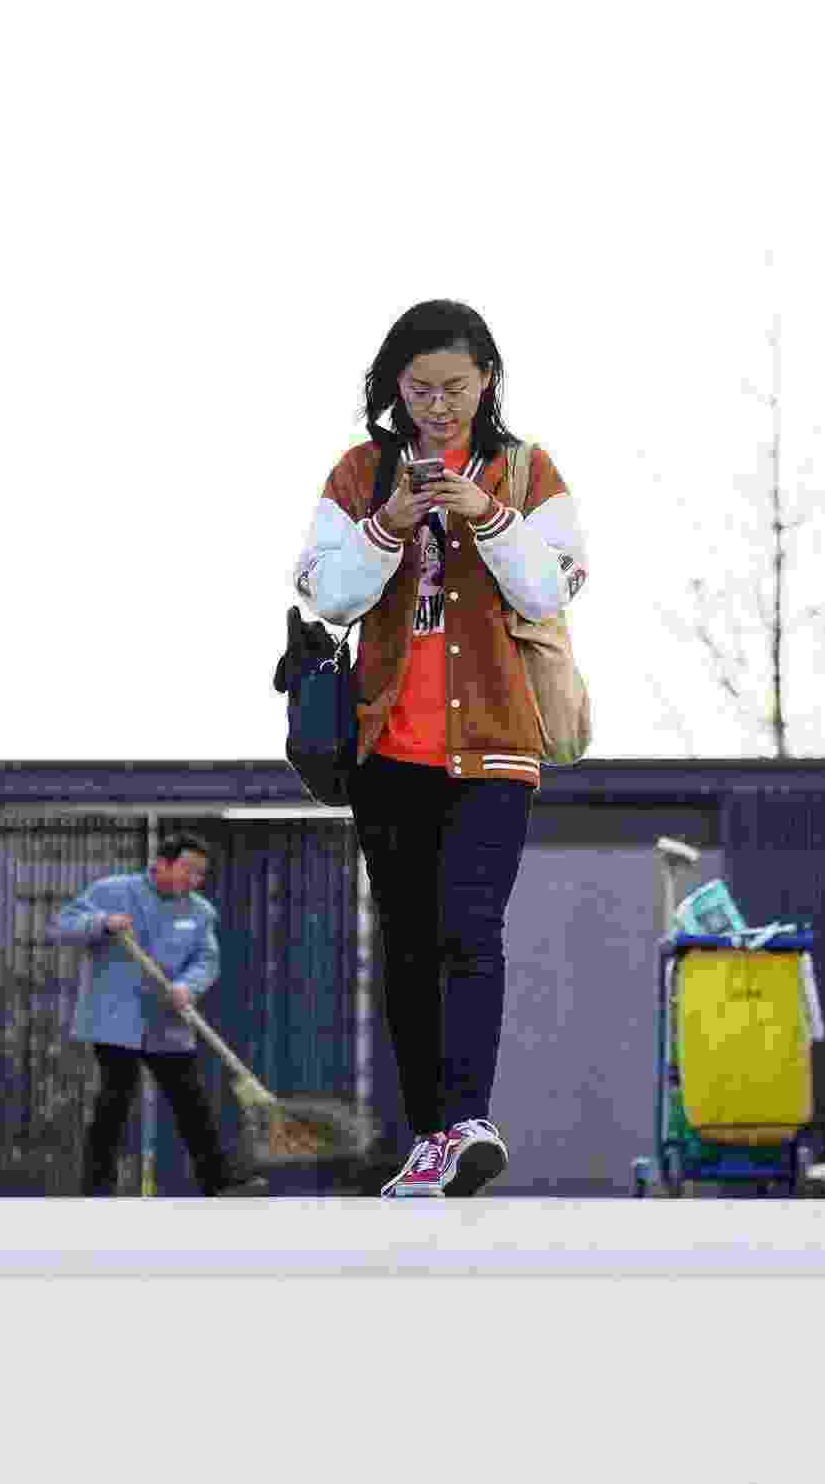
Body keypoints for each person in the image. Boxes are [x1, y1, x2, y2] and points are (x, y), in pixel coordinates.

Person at [294, 298, 586, 1199]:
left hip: (497, 745)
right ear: (395, 387)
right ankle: (432, 1136)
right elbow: (329, 594)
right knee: (409, 946)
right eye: (419, 388)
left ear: (487, 380)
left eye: (455, 386)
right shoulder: (358, 471)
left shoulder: (528, 471)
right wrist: (389, 520)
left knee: (471, 928)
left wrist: (487, 514)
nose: (438, 405)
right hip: (387, 746)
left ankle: (468, 1121)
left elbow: (550, 589)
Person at [51, 836, 240, 1197]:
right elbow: (63, 926)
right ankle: (97, 1190)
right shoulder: (112, 891)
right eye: (188, 870)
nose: (195, 880)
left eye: (200, 874)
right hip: (114, 1018)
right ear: (162, 864)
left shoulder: (200, 912)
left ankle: (220, 1185)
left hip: (167, 1021)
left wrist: (188, 986)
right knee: (115, 1099)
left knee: (191, 1102)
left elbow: (206, 960)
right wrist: (102, 922)